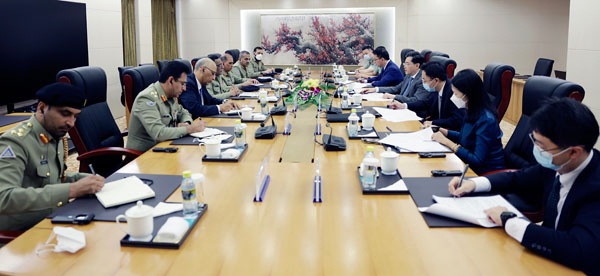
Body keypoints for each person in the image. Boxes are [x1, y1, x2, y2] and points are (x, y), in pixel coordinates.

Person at [449, 98, 600, 275]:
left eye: (541, 146)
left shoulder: (595, 187)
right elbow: (517, 178)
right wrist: (474, 183)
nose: (536, 150)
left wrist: (509, 221)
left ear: (574, 152)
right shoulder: (560, 163)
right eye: (534, 140)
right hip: (547, 258)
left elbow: (578, 248)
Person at [0, 83, 105, 231]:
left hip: (55, 218)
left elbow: (52, 177)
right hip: (23, 233)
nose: (71, 123)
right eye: (65, 113)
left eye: (75, 116)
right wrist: (72, 189)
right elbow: (4, 198)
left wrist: (85, 180)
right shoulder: (16, 142)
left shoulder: (55, 133)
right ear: (42, 108)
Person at [430, 69, 505, 174]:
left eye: (456, 94)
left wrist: (447, 142)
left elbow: (477, 160)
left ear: (468, 94)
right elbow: (466, 137)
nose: (454, 98)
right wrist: (443, 131)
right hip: (467, 165)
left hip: (484, 173)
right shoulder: (471, 109)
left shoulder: (486, 120)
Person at [126, 60, 206, 152]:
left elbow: (183, 112)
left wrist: (186, 123)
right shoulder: (147, 98)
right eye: (182, 84)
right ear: (171, 81)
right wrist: (188, 129)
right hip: (143, 156)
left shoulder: (169, 95)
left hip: (164, 147)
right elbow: (159, 133)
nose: (184, 88)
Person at [389, 62, 465, 130]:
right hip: (435, 129)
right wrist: (403, 106)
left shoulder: (453, 92)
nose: (423, 83)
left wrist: (433, 122)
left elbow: (456, 120)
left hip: (449, 133)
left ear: (436, 80)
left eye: (425, 81)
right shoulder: (436, 89)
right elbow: (425, 103)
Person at [361, 51, 428, 104]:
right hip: (399, 106)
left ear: (417, 65)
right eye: (404, 64)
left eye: (407, 64)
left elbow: (416, 100)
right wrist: (375, 89)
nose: (404, 66)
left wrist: (394, 96)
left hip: (412, 111)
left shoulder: (422, 80)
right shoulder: (408, 76)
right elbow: (396, 88)